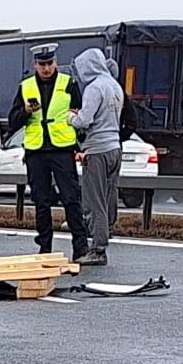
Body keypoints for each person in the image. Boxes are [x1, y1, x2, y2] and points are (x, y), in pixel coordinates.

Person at [2, 44, 86, 261]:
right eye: (42, 64)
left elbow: (80, 114)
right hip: (36, 151)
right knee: (41, 201)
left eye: (50, 63)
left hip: (62, 149)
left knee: (71, 198)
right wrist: (26, 112)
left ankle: (80, 247)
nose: (47, 68)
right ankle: (45, 247)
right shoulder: (26, 86)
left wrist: (80, 145)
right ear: (35, 65)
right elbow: (13, 120)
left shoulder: (68, 83)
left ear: (55, 62)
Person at [68, 48, 125, 266]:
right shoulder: (114, 86)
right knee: (110, 195)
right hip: (115, 147)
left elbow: (84, 120)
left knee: (95, 200)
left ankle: (98, 248)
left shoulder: (94, 88)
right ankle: (107, 231)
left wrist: (70, 118)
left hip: (97, 149)